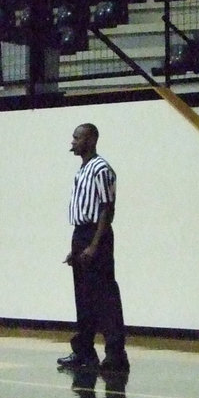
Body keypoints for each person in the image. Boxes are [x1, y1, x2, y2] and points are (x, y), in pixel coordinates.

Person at [57, 123, 129, 373]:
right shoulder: (82, 170)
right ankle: (85, 352)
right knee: (83, 297)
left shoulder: (101, 169)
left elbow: (106, 209)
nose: (73, 141)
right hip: (81, 234)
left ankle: (116, 354)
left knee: (105, 297)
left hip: (96, 235)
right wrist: (76, 248)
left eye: (77, 137)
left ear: (91, 139)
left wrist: (94, 245)